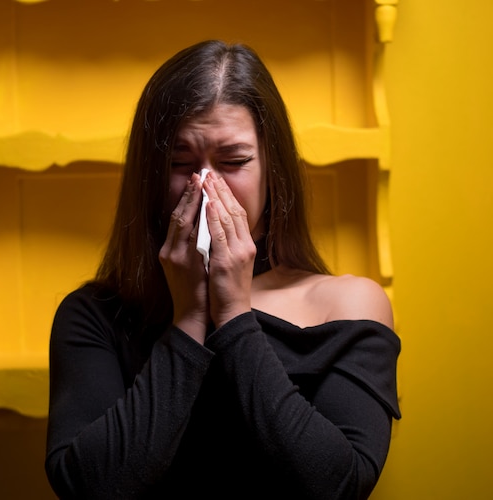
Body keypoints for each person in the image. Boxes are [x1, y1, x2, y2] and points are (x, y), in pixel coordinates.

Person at [45, 40, 401, 499]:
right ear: (150, 175)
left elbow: (337, 487)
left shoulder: (349, 305)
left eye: (233, 162)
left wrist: (233, 314)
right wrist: (191, 316)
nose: (208, 188)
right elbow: (90, 488)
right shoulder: (92, 315)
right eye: (179, 164)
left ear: (274, 170)